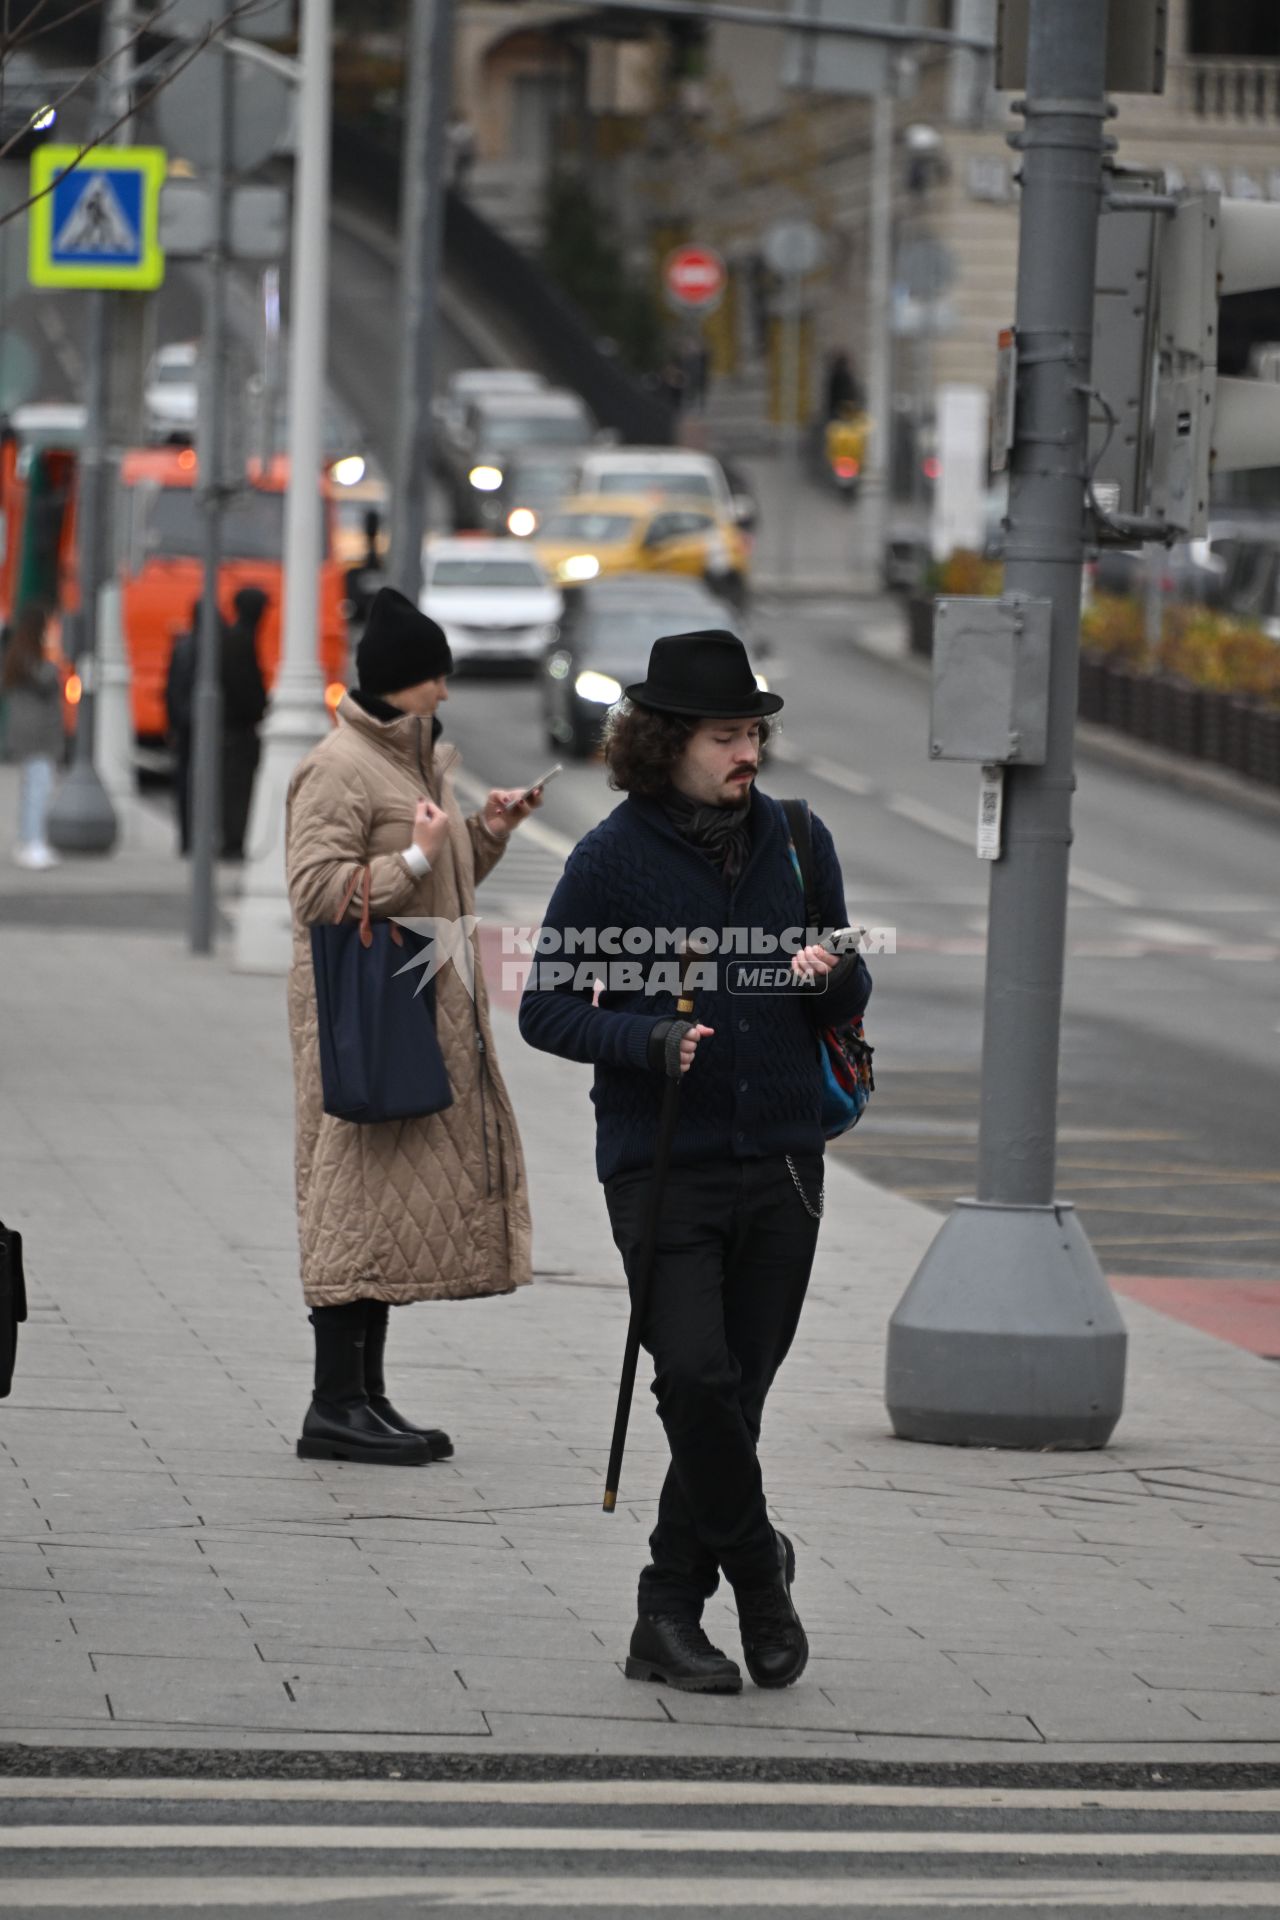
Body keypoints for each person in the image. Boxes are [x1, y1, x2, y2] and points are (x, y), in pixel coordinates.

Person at [519, 630, 871, 1693]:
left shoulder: (798, 840)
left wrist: (824, 979)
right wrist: (646, 1039)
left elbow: (846, 990)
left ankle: (664, 1615)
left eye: (754, 732)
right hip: (660, 1165)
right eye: (725, 735)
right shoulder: (610, 860)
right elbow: (543, 1006)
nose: (746, 752)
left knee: (736, 1397)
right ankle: (759, 1579)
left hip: (785, 1165)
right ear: (666, 741)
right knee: (694, 1379)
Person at [285, 586, 542, 1467]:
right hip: (363, 1017)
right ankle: (333, 1404)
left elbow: (436, 872)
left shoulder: (413, 761)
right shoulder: (338, 768)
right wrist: (416, 856)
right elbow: (317, 892)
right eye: (438, 676)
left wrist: (485, 832)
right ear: (406, 682)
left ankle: (367, 1397)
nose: (447, 690)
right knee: (349, 1202)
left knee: (384, 1208)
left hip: (415, 1002)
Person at [3, 604, 63, 871]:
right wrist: (54, 654)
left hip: (26, 733)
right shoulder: (32, 656)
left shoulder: (17, 654)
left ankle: (30, 840)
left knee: (33, 789)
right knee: (38, 789)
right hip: (37, 734)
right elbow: (47, 679)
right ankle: (32, 842)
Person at [221, 585, 269, 860]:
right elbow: (243, 687)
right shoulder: (240, 640)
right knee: (237, 787)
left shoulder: (238, 637)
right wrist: (259, 708)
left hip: (237, 726)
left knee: (236, 785)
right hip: (238, 729)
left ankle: (233, 838)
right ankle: (233, 840)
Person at [164, 601, 200, 856]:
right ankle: (198, 836)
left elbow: (172, 688)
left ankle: (186, 839)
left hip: (183, 721)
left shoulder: (183, 647)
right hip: (203, 724)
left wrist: (172, 723)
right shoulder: (213, 647)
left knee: (184, 781)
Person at [824, 349, 864, 423]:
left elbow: (832, 395)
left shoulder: (837, 375)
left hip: (839, 408)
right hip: (844, 408)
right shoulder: (845, 375)